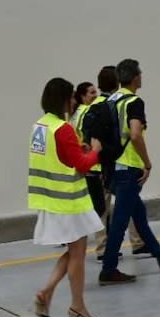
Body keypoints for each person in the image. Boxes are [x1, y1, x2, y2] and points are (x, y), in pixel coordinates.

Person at [97, 59, 160, 284]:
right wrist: (147, 163)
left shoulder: (108, 100)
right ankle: (108, 270)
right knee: (120, 223)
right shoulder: (134, 102)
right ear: (135, 77)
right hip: (128, 168)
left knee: (139, 213)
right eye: (140, 73)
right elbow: (135, 134)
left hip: (110, 168)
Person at [29, 77, 103, 317]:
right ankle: (78, 305)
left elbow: (57, 155)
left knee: (72, 251)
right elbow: (82, 164)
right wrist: (94, 151)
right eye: (71, 97)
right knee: (78, 254)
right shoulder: (63, 128)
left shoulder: (40, 126)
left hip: (50, 199)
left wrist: (77, 148)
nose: (74, 101)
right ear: (63, 99)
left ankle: (46, 293)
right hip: (69, 202)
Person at [83, 66, 120, 252]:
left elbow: (85, 138)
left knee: (101, 209)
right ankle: (139, 243)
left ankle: (101, 247)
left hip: (94, 165)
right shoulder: (115, 105)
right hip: (113, 164)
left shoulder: (90, 108)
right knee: (127, 205)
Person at [71, 81, 105, 222]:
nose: (95, 95)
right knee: (99, 206)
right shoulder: (88, 111)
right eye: (91, 92)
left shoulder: (74, 114)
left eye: (95, 91)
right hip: (92, 164)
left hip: (81, 163)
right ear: (82, 96)